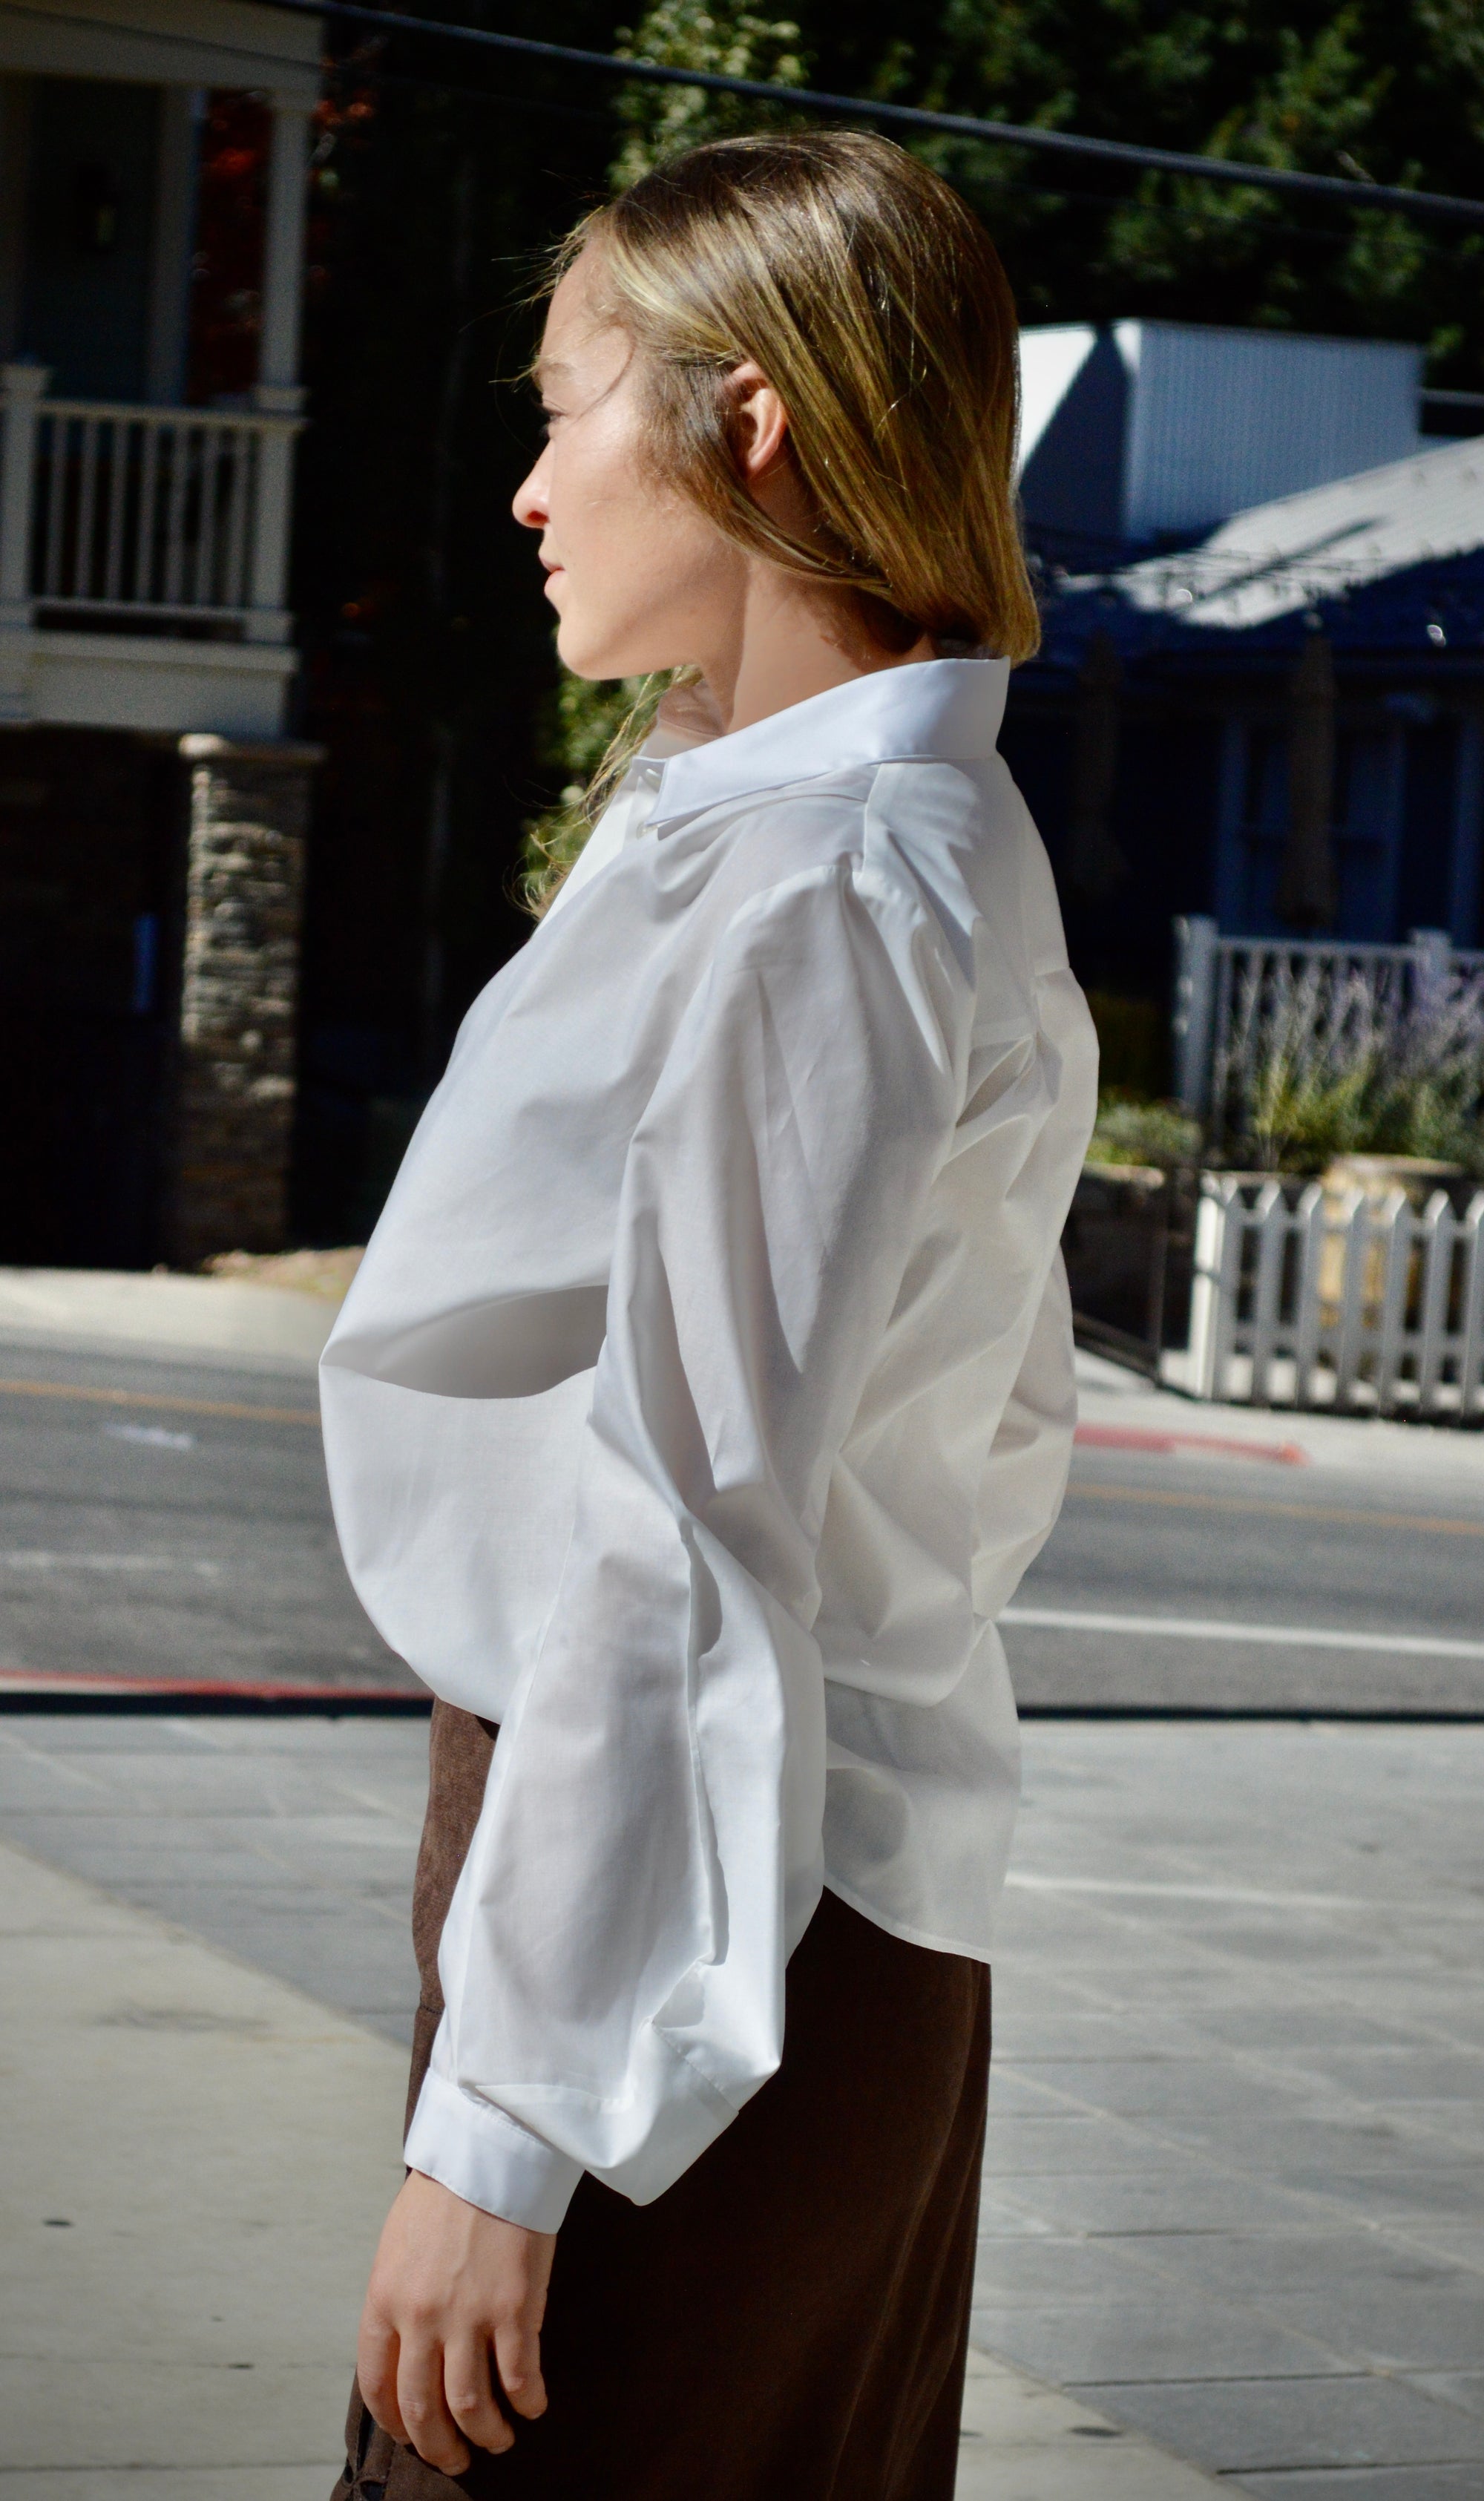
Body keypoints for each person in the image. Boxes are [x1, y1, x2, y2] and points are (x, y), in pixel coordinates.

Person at [320, 129, 1097, 2500]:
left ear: (748, 423)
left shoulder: (834, 880)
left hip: (697, 1960)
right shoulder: (800, 827)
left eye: (571, 408)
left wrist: (509, 2129)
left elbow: (682, 1522)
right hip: (773, 1919)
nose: (535, 486)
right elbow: (995, 1442)